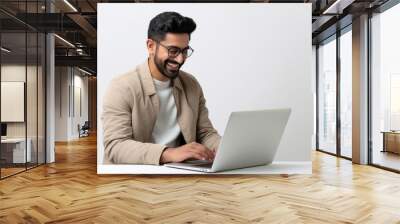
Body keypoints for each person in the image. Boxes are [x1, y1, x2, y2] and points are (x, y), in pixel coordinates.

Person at [102, 11, 221, 165]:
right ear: (151, 46)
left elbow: (205, 133)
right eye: (173, 51)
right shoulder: (121, 87)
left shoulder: (191, 84)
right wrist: (169, 153)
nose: (180, 59)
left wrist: (225, 147)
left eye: (185, 51)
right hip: (132, 176)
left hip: (179, 173)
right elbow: (116, 145)